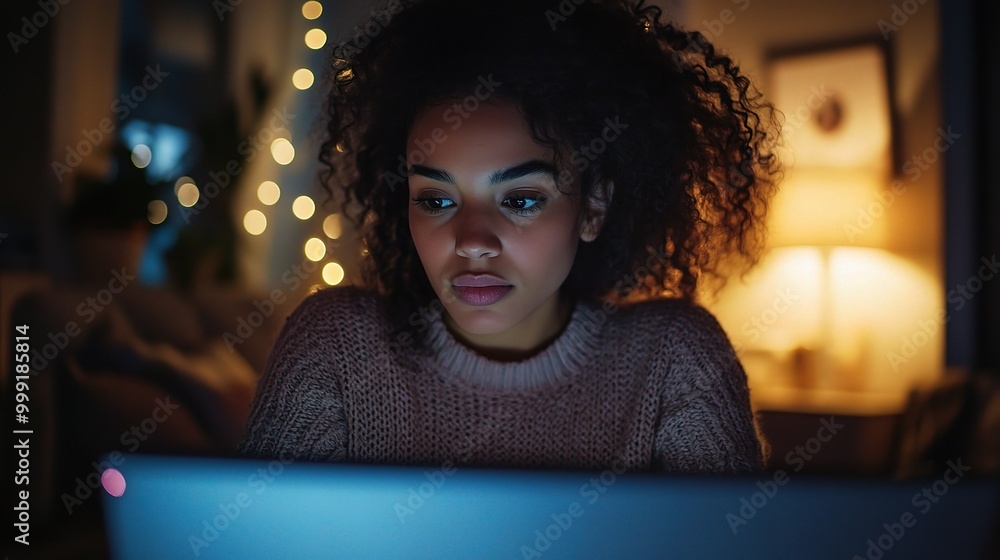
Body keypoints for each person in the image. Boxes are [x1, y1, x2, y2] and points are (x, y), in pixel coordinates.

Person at [239, 0, 780, 473]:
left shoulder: (675, 362)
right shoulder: (334, 348)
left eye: (520, 200)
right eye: (436, 200)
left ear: (593, 206)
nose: (472, 240)